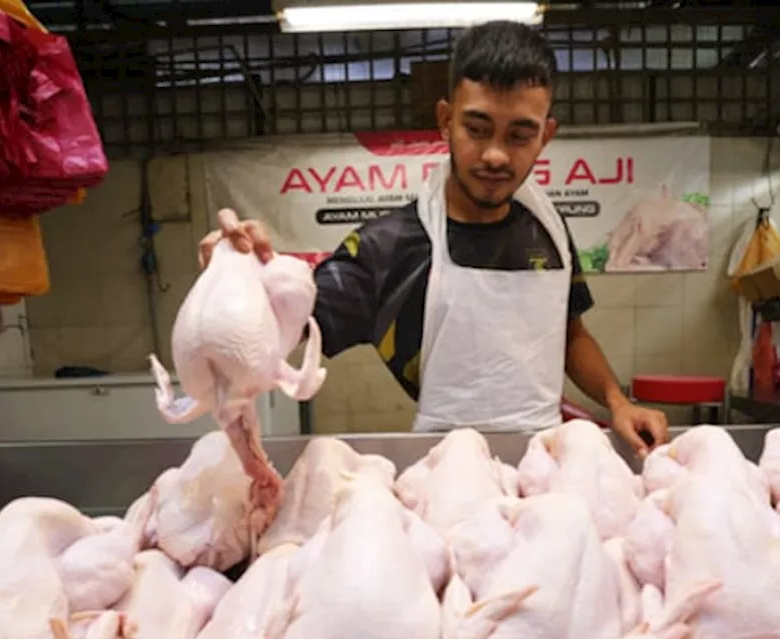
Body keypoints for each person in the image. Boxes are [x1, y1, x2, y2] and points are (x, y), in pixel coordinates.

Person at [200, 20, 670, 456]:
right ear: (445, 120)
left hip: (545, 464)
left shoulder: (547, 230)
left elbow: (570, 335)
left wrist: (616, 402)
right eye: (476, 128)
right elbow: (284, 323)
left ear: (546, 136)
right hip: (445, 472)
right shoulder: (387, 246)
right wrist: (238, 278)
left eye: (519, 136)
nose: (494, 155)